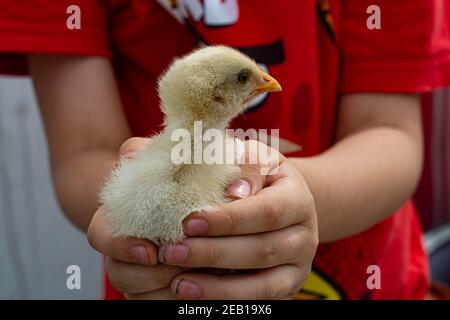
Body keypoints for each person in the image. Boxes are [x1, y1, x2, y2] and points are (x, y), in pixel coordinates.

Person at [0, 0, 449, 300]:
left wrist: (284, 200)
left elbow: (390, 132)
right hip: (160, 286)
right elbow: (84, 157)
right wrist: (155, 205)